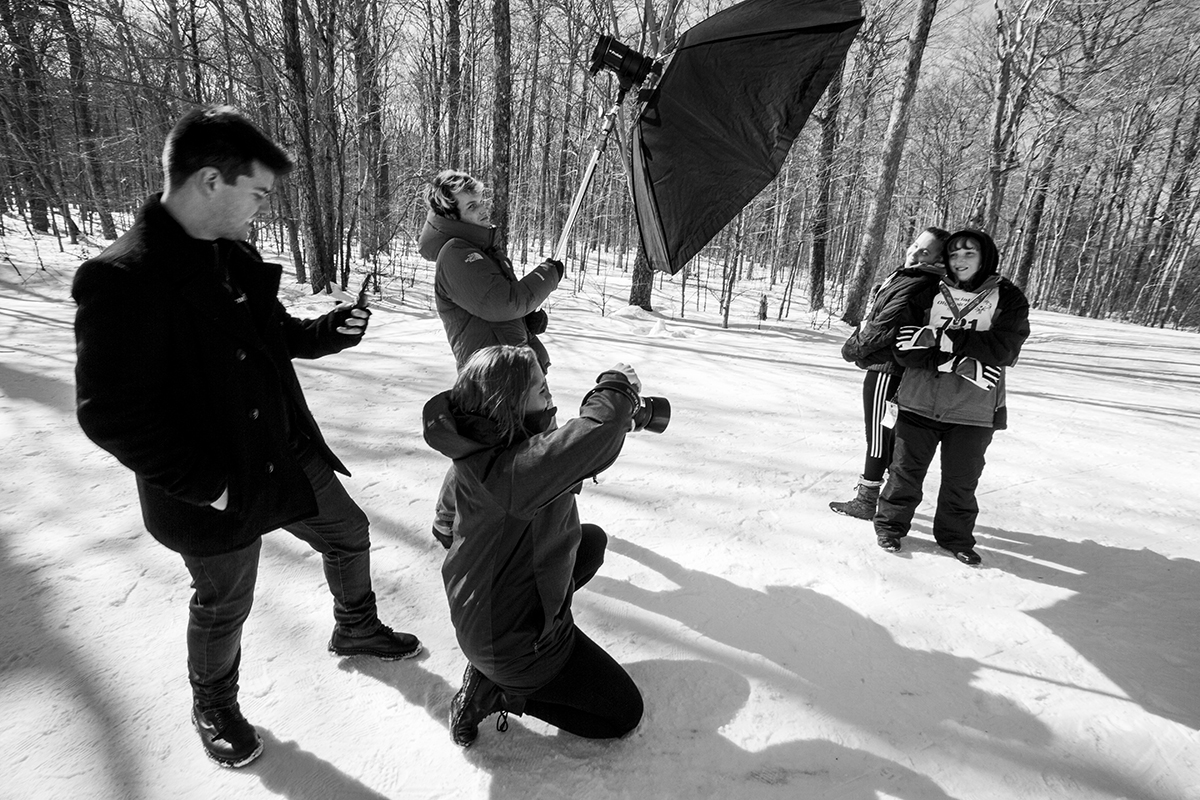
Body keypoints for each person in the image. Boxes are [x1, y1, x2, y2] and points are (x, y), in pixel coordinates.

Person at [72, 105, 422, 769]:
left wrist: (327, 332)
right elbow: (111, 412)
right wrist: (209, 485)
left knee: (347, 533)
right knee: (223, 600)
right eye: (257, 194)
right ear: (210, 180)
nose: (262, 209)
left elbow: (274, 333)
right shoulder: (122, 278)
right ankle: (215, 702)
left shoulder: (229, 254)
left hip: (280, 452)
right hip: (211, 487)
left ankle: (356, 627)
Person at [422, 345, 645, 747]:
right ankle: (498, 690)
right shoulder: (513, 474)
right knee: (623, 713)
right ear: (507, 404)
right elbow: (602, 429)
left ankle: (510, 648)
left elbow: (443, 526)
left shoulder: (478, 449)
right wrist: (616, 386)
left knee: (589, 542)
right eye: (541, 391)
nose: (551, 398)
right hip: (514, 647)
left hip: (485, 616)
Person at [417, 169, 563, 548]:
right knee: (480, 449)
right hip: (488, 375)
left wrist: (527, 320)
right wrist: (547, 275)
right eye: (471, 205)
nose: (482, 210)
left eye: (481, 201)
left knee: (521, 440)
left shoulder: (479, 250)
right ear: (452, 215)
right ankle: (447, 519)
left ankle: (543, 511)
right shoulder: (456, 254)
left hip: (513, 366)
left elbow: (499, 304)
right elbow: (502, 302)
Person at [873, 229, 1030, 565]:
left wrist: (942, 338)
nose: (960, 260)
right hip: (918, 398)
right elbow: (903, 347)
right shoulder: (928, 290)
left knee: (962, 481)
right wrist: (959, 360)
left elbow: (1004, 349)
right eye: (954, 254)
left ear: (984, 257)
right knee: (904, 472)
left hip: (973, 408)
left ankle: (955, 538)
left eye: (969, 253)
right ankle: (890, 526)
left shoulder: (1009, 297)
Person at [832, 227, 950, 519]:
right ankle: (883, 498)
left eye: (925, 251)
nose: (914, 252)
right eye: (914, 245)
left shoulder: (920, 282)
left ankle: (866, 500)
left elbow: (885, 327)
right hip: (892, 369)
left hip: (888, 371)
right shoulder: (911, 277)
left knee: (878, 435)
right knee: (886, 435)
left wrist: (853, 350)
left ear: (939, 260)